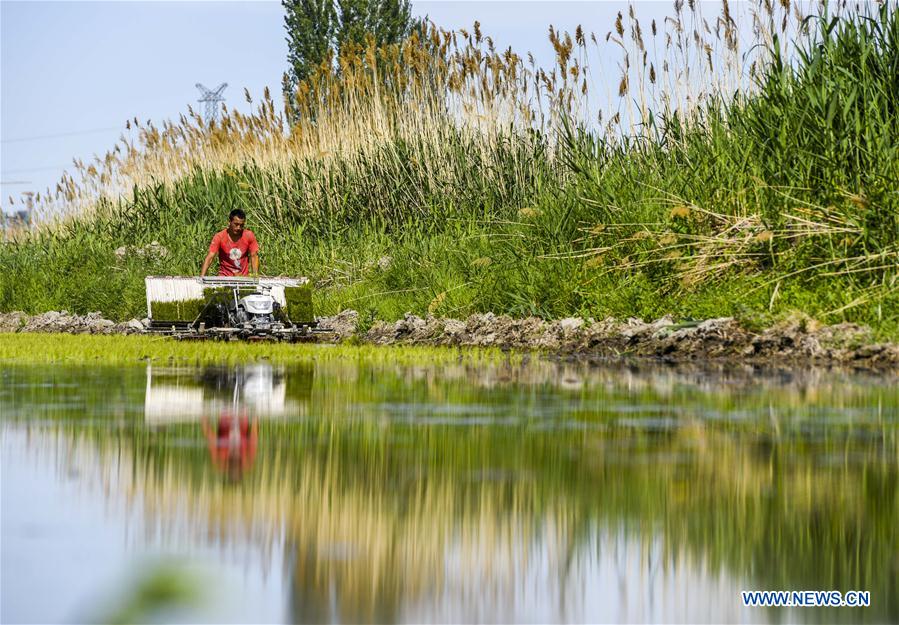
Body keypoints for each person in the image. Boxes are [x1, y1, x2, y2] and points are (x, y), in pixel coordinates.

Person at [200, 208, 260, 277]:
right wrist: (202, 277)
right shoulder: (219, 237)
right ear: (229, 222)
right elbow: (210, 257)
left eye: (241, 225)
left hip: (243, 277)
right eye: (236, 224)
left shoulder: (249, 235)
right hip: (224, 277)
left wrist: (255, 277)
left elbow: (254, 256)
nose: (238, 228)